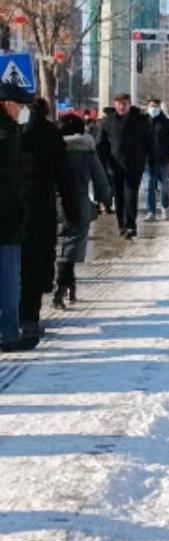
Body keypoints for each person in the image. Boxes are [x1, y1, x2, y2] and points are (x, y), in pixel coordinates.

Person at [18, 99, 76, 338]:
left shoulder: (12, 132)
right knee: (36, 261)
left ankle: (11, 317)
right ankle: (29, 318)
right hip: (40, 207)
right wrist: (71, 211)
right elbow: (64, 176)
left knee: (12, 263)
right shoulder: (50, 134)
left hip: (11, 209)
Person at [55, 112, 112, 307]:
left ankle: (65, 285)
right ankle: (64, 286)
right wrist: (105, 199)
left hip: (54, 202)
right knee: (71, 245)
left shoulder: (53, 148)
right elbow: (99, 177)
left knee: (59, 245)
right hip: (79, 203)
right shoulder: (87, 150)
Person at [0, 82, 32, 351]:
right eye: (20, 105)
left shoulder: (11, 131)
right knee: (8, 282)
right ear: (7, 104)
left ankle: (9, 332)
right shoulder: (6, 134)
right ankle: (8, 335)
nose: (23, 110)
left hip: (10, 216)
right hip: (5, 218)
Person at [104, 92, 150, 239]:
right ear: (114, 104)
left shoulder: (140, 120)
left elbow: (148, 141)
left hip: (134, 165)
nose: (122, 106)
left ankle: (130, 225)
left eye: (124, 103)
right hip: (115, 165)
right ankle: (121, 225)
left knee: (130, 196)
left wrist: (147, 159)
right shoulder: (108, 121)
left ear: (129, 104)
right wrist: (104, 163)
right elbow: (102, 144)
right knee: (119, 197)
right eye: (119, 103)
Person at [144, 97, 169, 221]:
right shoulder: (143, 122)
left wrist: (167, 150)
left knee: (164, 186)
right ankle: (151, 211)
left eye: (155, 106)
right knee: (149, 187)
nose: (153, 108)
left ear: (159, 107)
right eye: (151, 106)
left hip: (163, 159)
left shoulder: (166, 122)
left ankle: (165, 208)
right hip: (148, 160)